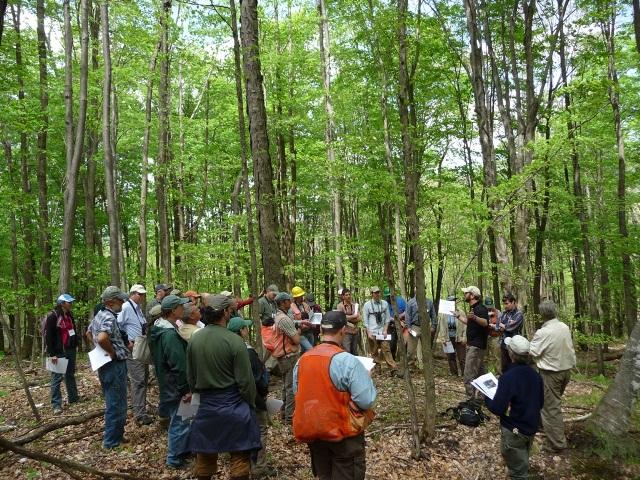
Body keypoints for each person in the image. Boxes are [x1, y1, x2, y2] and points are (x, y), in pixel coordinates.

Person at [293, 310, 377, 480]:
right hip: (343, 435)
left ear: (322, 331)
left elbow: (298, 393)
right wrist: (366, 379)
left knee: (325, 475)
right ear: (343, 330)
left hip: (315, 433)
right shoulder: (348, 361)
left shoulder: (302, 360)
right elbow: (366, 400)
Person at [186, 294, 261, 480]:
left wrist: (196, 403)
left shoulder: (195, 339)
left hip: (206, 408)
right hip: (234, 406)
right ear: (226, 312)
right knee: (240, 458)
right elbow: (245, 382)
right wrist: (251, 404)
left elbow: (190, 377)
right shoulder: (235, 341)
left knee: (205, 458)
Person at [484, 335, 544, 480]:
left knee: (519, 474)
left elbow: (497, 408)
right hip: (530, 428)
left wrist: (487, 395)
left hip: (514, 431)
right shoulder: (536, 376)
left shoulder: (508, 377)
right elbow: (540, 402)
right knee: (521, 462)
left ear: (511, 354)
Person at [228, 316, 274, 478]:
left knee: (242, 431)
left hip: (233, 400)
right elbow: (259, 379)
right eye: (245, 327)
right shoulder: (248, 352)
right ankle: (259, 467)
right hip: (253, 399)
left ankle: (243, 465)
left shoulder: (226, 349)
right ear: (241, 331)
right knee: (260, 430)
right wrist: (263, 394)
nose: (247, 329)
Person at [149, 294, 191, 468]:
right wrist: (185, 389)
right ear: (173, 311)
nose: (184, 308)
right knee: (181, 421)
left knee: (185, 419)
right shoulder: (169, 335)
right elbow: (179, 364)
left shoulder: (160, 328)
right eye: (181, 306)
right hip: (175, 385)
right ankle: (174, 458)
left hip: (169, 383)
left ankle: (183, 450)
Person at [529, 300, 576, 452]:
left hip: (551, 373)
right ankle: (544, 426)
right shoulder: (564, 327)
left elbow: (533, 352)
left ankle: (557, 444)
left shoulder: (543, 332)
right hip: (566, 371)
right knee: (549, 403)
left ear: (542, 314)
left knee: (551, 408)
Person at [89, 286, 130, 449]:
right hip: (113, 365)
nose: (122, 302)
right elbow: (101, 338)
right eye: (120, 300)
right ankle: (111, 441)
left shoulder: (99, 315)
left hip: (104, 364)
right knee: (116, 403)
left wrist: (99, 351)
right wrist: (111, 352)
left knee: (113, 400)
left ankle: (116, 436)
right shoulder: (109, 317)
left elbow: (88, 334)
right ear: (111, 302)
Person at [117, 284, 153, 426]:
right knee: (138, 381)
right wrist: (126, 342)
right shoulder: (126, 307)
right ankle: (140, 414)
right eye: (139, 294)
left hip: (141, 347)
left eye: (143, 294)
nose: (142, 297)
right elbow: (118, 326)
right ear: (132, 294)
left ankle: (141, 409)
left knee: (143, 378)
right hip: (133, 348)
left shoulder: (138, 309)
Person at [46, 293, 79, 414]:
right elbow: (48, 336)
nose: (71, 304)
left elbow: (73, 330)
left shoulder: (69, 315)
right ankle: (56, 405)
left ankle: (74, 398)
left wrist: (76, 344)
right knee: (56, 378)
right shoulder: (53, 316)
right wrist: (51, 353)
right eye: (68, 302)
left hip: (70, 349)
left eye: (71, 302)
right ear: (62, 304)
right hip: (58, 351)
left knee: (70, 374)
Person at [273, 292, 302, 423]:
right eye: (288, 301)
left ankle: (284, 412)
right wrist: (299, 330)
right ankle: (290, 417)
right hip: (288, 356)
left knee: (286, 386)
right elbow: (296, 339)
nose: (290, 303)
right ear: (283, 303)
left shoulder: (279, 316)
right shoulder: (284, 319)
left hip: (283, 356)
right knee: (290, 387)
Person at [458, 285, 489, 399]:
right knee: (482, 375)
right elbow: (469, 322)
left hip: (476, 347)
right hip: (473, 345)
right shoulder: (473, 309)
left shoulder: (481, 308)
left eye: (466, 293)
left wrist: (475, 317)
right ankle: (485, 398)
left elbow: (485, 322)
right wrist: (458, 316)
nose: (464, 295)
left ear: (472, 295)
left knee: (468, 375)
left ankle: (471, 401)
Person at [363, 286, 397, 374]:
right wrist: (368, 332)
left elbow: (387, 318)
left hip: (382, 331)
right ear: (372, 294)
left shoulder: (384, 303)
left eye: (378, 292)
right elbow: (365, 320)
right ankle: (377, 368)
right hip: (372, 331)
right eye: (375, 293)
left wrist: (385, 329)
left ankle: (393, 368)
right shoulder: (367, 305)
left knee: (386, 348)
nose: (378, 294)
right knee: (374, 351)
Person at [402, 294, 437, 368]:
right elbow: (407, 315)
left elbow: (433, 315)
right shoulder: (411, 302)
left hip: (426, 327)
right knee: (410, 349)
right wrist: (408, 327)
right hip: (414, 327)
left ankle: (426, 367)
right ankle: (410, 366)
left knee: (426, 349)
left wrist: (433, 326)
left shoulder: (429, 302)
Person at [436, 295, 467, 376]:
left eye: (454, 301)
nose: (453, 302)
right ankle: (454, 374)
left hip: (459, 337)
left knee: (462, 358)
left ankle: (464, 374)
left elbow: (465, 325)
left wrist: (464, 337)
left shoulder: (461, 312)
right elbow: (441, 326)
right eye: (451, 301)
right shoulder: (443, 314)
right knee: (450, 357)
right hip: (448, 338)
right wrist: (443, 338)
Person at [498, 293, 524, 372]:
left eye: (507, 303)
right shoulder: (503, 314)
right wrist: (502, 326)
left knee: (515, 368)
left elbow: (512, 328)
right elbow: (497, 325)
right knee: (505, 367)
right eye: (504, 304)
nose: (505, 306)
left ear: (513, 302)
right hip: (504, 345)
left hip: (515, 346)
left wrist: (504, 326)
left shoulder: (518, 314)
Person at [337, 288, 361, 355]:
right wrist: (353, 316)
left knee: (355, 351)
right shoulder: (340, 306)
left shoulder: (354, 305)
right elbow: (341, 317)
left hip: (355, 331)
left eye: (349, 294)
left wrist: (348, 317)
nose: (348, 296)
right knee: (347, 350)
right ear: (343, 296)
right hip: (346, 332)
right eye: (346, 295)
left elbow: (359, 318)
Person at [383, 287, 406, 358]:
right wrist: (396, 320)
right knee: (392, 344)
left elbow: (407, 311)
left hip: (402, 326)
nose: (389, 298)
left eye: (390, 296)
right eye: (387, 296)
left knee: (405, 343)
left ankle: (403, 359)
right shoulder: (384, 304)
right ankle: (393, 359)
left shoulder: (401, 301)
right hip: (390, 326)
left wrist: (401, 316)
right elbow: (386, 316)